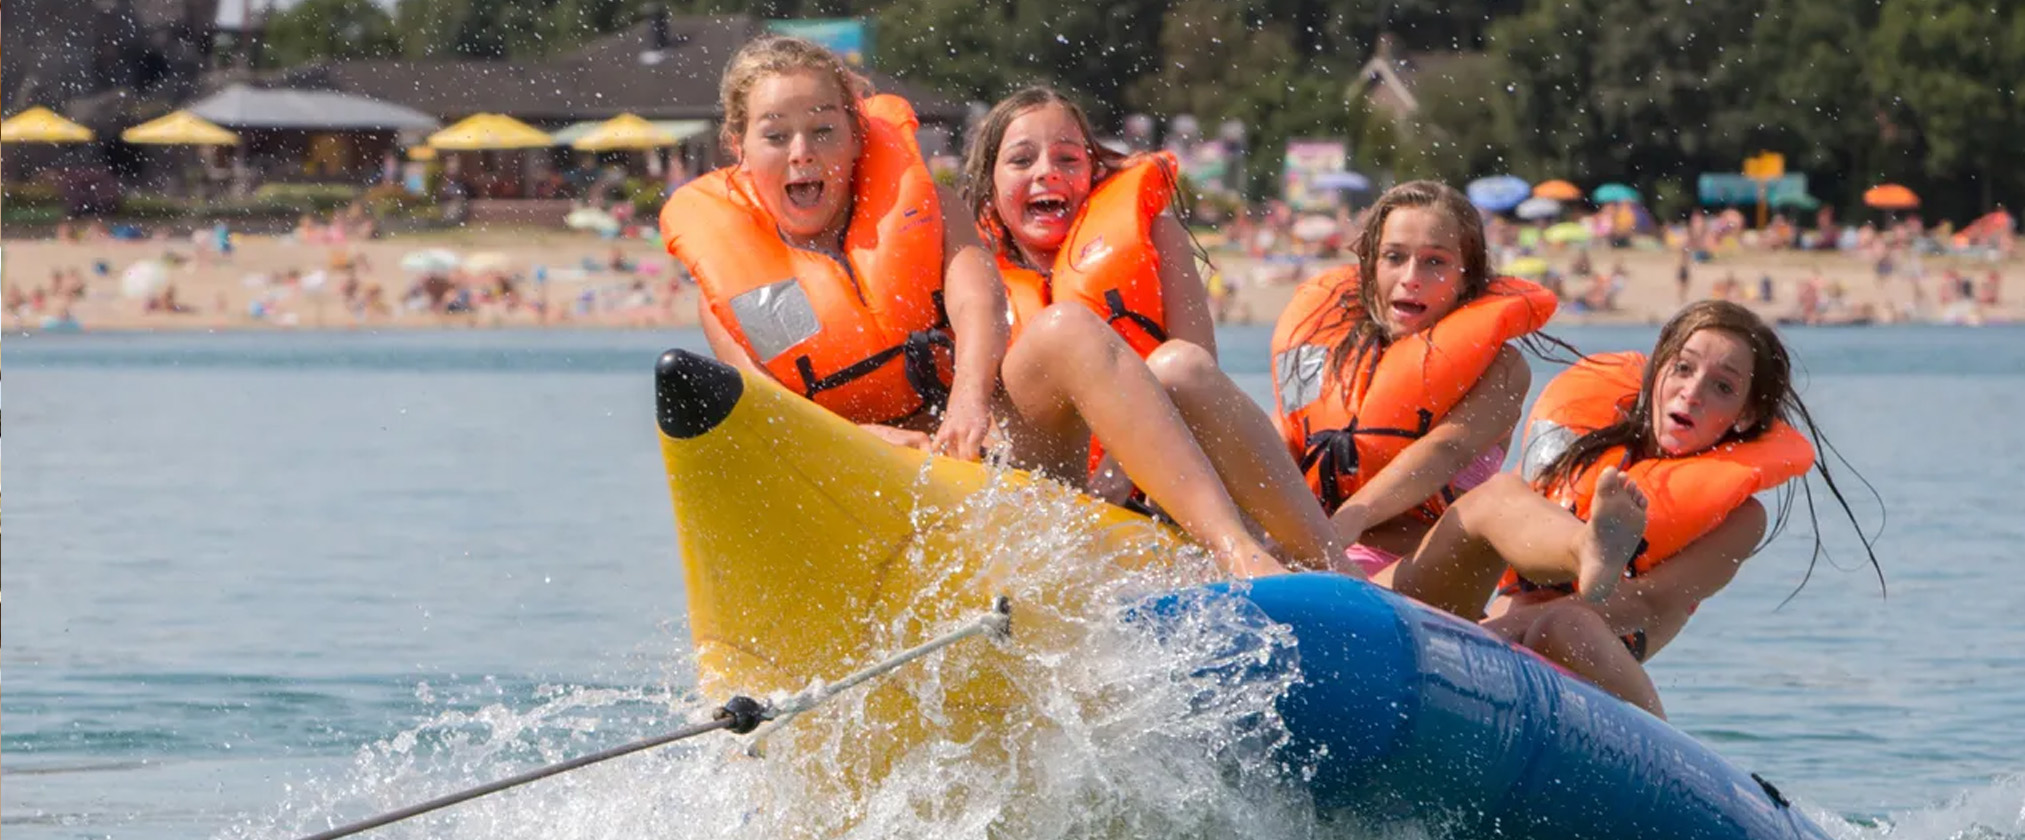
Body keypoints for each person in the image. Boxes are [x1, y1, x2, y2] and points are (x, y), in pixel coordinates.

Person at [661, 36, 1320, 576]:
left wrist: (970, 402)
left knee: (1065, 327)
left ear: (857, 139)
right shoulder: (729, 289)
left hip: (986, 456)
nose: (802, 152)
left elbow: (979, 303)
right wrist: (870, 439)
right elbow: (769, 420)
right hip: (861, 485)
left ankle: (1235, 549)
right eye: (776, 136)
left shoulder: (920, 210)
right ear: (737, 148)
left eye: (823, 131)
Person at [1389, 301, 1878, 717]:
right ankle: (1584, 550)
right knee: (1496, 496)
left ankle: (1668, 773)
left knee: (1565, 625)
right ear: (1658, 368)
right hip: (1495, 621)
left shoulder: (1742, 519)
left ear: (1746, 415)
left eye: (1722, 387)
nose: (1693, 392)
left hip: (1590, 653)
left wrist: (1486, 637)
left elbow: (1645, 603)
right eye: (1683, 368)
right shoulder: (1586, 440)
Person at [961, 85, 1342, 572]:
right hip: (1048, 475)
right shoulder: (971, 265)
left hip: (1160, 479)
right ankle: (1239, 548)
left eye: (1068, 158)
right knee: (1067, 328)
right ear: (989, 183)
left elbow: (1199, 372)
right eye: (1021, 160)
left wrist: (1123, 469)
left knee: (1180, 364)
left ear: (1093, 173)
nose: (1046, 172)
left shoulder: (1157, 234)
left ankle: (1334, 573)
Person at [1270, 181, 1563, 580]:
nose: (1411, 277)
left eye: (1435, 262)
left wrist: (1350, 520)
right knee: (1193, 377)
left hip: (1415, 572)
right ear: (1371, 264)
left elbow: (1448, 448)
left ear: (1467, 276)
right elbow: (1283, 434)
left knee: (1500, 496)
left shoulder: (1502, 368)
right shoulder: (1328, 343)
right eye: (1394, 257)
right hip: (1310, 550)